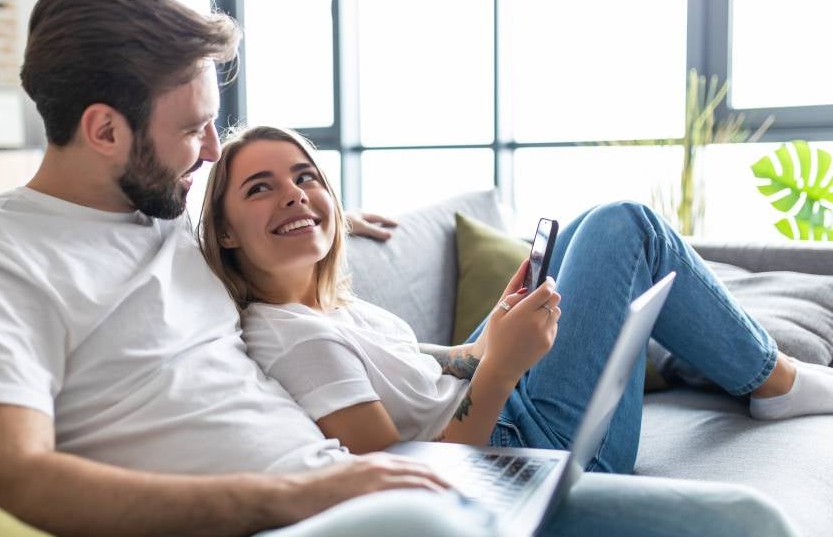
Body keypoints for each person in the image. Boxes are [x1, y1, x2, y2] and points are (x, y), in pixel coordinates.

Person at [0, 0, 799, 537]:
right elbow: (3, 478)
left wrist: (325, 212)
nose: (212, 151)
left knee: (750, 518)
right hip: (311, 513)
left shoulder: (167, 223)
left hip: (386, 488)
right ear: (101, 128)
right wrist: (286, 499)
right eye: (194, 130)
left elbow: (254, 233)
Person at [199, 125, 833, 474]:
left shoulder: (330, 308)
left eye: (306, 176)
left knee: (581, 230)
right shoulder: (294, 338)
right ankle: (777, 383)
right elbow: (404, 482)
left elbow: (436, 368)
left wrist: (489, 338)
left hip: (509, 407)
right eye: (260, 188)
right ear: (224, 232)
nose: (294, 194)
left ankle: (739, 369)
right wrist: (501, 365)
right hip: (533, 449)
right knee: (625, 224)